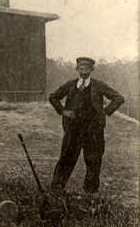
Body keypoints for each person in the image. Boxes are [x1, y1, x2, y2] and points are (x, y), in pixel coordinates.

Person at [48, 57, 124, 194]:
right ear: (77, 69)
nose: (84, 71)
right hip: (73, 129)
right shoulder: (70, 85)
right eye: (81, 68)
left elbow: (119, 98)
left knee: (93, 159)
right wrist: (63, 111)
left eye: (87, 68)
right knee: (66, 157)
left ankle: (90, 192)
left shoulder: (98, 85)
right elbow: (53, 97)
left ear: (91, 70)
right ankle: (57, 188)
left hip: (93, 130)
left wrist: (105, 112)